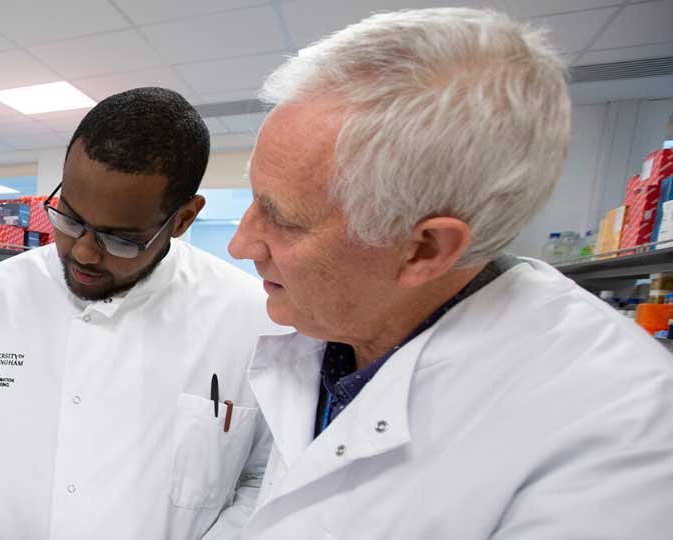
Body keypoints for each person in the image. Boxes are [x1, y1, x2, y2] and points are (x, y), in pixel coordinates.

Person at [227, 8, 673, 538]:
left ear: (424, 250)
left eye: (283, 219)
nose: (240, 244)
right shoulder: (333, 320)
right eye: (254, 201)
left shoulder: (614, 438)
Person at [0, 87, 281, 539]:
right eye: (70, 218)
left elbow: (265, 481)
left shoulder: (252, 319)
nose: (82, 251)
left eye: (119, 238)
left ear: (182, 219)